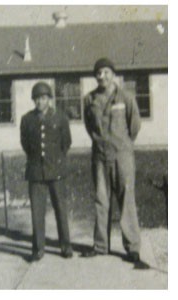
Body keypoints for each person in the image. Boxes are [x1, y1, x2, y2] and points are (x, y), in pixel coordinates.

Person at [83, 58, 147, 267]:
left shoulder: (126, 97)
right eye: (99, 73)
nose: (102, 76)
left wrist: (124, 144)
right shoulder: (89, 99)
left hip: (122, 156)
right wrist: (100, 142)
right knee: (101, 200)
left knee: (126, 199)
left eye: (106, 72)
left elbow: (134, 125)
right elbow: (89, 126)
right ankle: (101, 246)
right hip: (100, 156)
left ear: (113, 74)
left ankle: (133, 248)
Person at [20, 81, 73, 261]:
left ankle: (65, 246)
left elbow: (66, 142)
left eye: (43, 98)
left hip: (56, 170)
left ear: (49, 99)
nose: (40, 102)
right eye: (37, 99)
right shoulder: (27, 119)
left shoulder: (60, 117)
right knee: (37, 211)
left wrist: (55, 159)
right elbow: (26, 144)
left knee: (60, 208)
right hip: (36, 171)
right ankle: (38, 249)